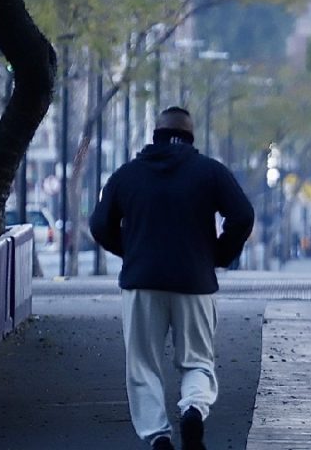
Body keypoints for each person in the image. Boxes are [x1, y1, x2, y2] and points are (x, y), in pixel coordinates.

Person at [89, 107, 255, 450]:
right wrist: (219, 254)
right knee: (197, 360)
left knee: (143, 366)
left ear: (156, 135)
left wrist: (131, 251)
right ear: (191, 137)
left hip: (141, 282)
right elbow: (242, 214)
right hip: (195, 282)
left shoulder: (127, 175)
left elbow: (99, 225)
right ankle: (193, 407)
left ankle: (158, 437)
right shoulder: (210, 172)